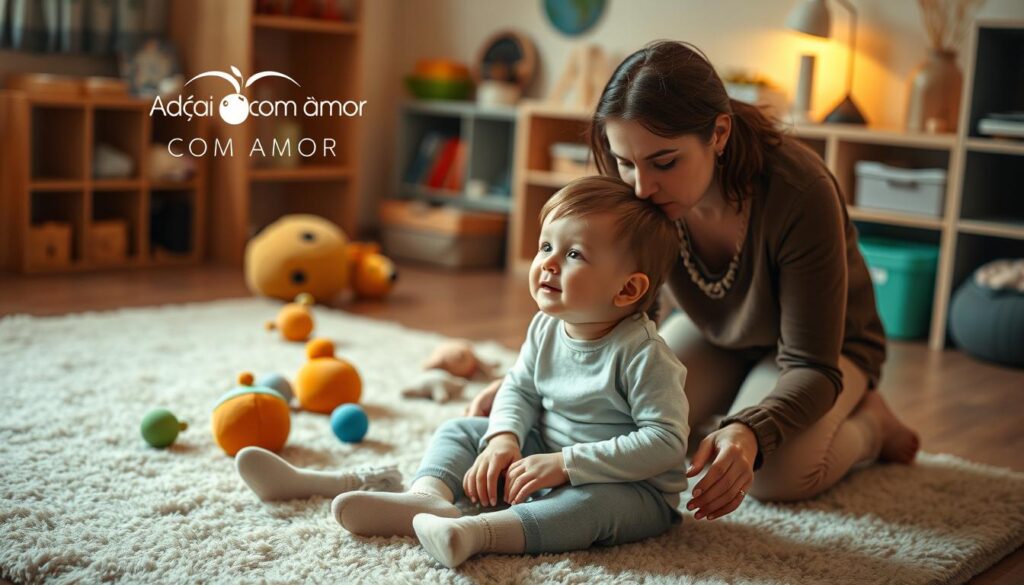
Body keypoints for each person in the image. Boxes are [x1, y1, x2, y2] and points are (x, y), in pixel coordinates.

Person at [467, 40, 920, 524]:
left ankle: (872, 423)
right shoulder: (637, 180)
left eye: (665, 163)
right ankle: (738, 400)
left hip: (825, 352)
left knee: (773, 473)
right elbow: (621, 308)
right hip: (715, 334)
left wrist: (749, 430)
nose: (641, 187)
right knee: (619, 428)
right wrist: (543, 382)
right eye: (624, 162)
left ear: (719, 133)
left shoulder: (800, 190)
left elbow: (811, 361)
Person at [331, 176, 690, 568]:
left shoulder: (644, 355)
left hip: (630, 488)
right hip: (544, 451)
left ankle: (478, 533)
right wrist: (504, 439)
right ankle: (426, 498)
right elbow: (520, 387)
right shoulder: (546, 326)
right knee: (460, 430)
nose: (549, 262)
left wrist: (567, 465)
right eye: (547, 246)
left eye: (574, 255)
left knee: (589, 506)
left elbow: (665, 441)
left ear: (627, 290)